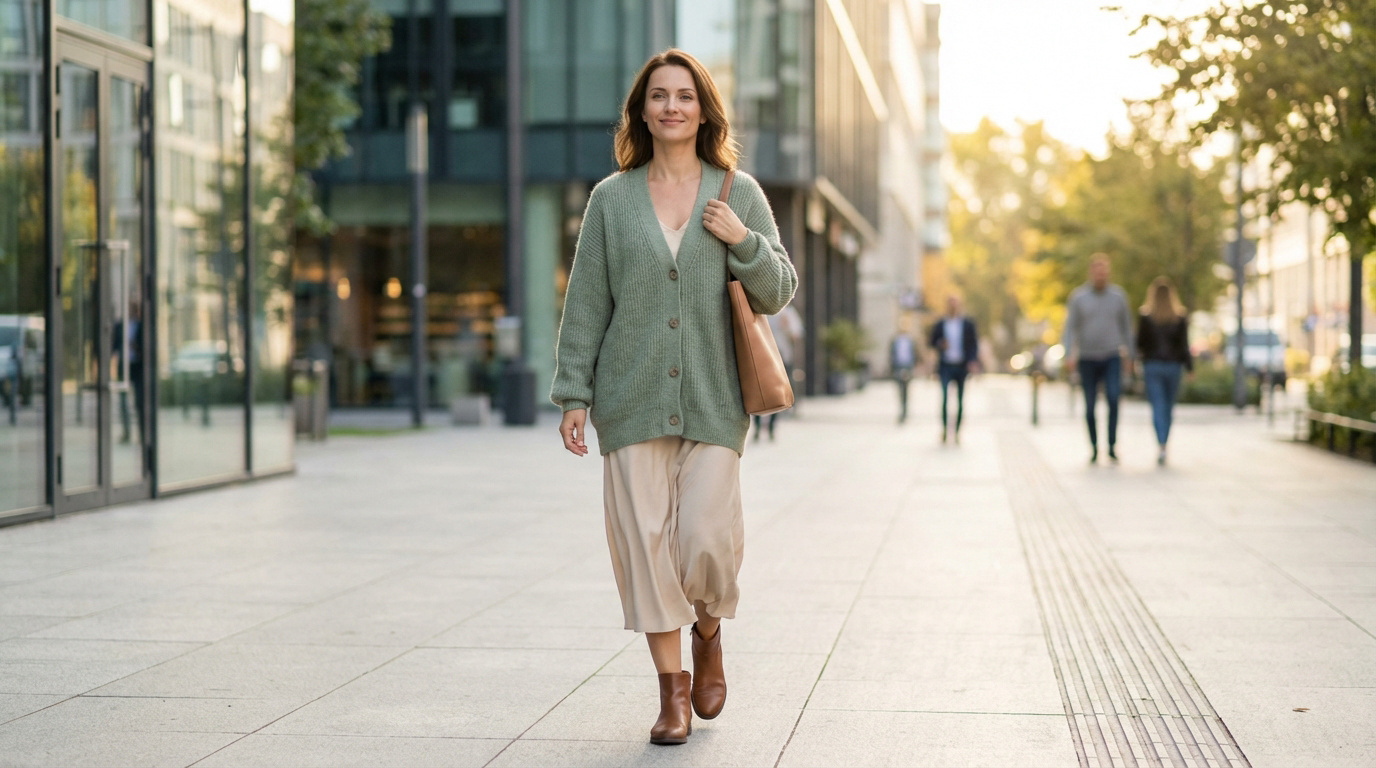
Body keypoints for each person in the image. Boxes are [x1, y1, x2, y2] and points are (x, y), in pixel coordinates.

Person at [551, 49, 797, 746]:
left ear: (703, 108)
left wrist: (742, 240)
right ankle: (672, 695)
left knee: (704, 543)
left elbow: (779, 289)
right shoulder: (611, 198)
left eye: (684, 96)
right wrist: (573, 392)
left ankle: (709, 631)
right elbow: (587, 302)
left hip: (716, 400)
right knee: (646, 548)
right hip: (628, 401)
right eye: (658, 96)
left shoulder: (736, 191)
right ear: (642, 111)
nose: (671, 107)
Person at [1063, 253, 1134, 463]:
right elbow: (1070, 327)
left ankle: (1111, 444)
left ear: (1108, 273)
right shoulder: (1079, 297)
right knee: (1090, 404)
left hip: (1112, 355)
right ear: (1091, 272)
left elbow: (1127, 327)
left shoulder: (1118, 297)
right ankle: (1094, 446)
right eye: (1097, 271)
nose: (1100, 275)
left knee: (1113, 398)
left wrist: (1129, 355)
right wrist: (1069, 353)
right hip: (1087, 357)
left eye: (1104, 271)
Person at [1136, 277, 1193, 465]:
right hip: (1173, 366)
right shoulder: (1179, 317)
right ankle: (1164, 443)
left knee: (1158, 406)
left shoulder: (1146, 317)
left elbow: (1140, 344)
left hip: (1152, 366)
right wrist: (1190, 367)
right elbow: (1184, 346)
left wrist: (1136, 362)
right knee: (1168, 407)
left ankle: (1161, 444)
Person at [928, 295, 978, 443]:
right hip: (945, 366)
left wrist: (972, 361)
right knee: (944, 398)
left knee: (960, 400)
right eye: (950, 305)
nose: (953, 308)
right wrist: (940, 344)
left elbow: (973, 344)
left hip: (961, 366)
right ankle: (944, 429)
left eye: (955, 305)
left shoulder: (967, 324)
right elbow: (932, 341)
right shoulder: (940, 324)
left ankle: (956, 431)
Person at [753, 301, 803, 441]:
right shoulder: (760, 308)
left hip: (781, 356)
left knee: (776, 393)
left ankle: (771, 428)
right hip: (762, 355)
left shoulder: (788, 312)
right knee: (759, 391)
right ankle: (757, 427)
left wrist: (786, 327)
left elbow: (796, 334)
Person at [889, 322, 918, 424]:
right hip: (898, 366)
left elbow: (915, 354)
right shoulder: (895, 341)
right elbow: (891, 354)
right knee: (900, 389)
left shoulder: (910, 341)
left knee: (906, 389)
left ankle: (905, 410)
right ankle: (901, 410)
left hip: (907, 366)